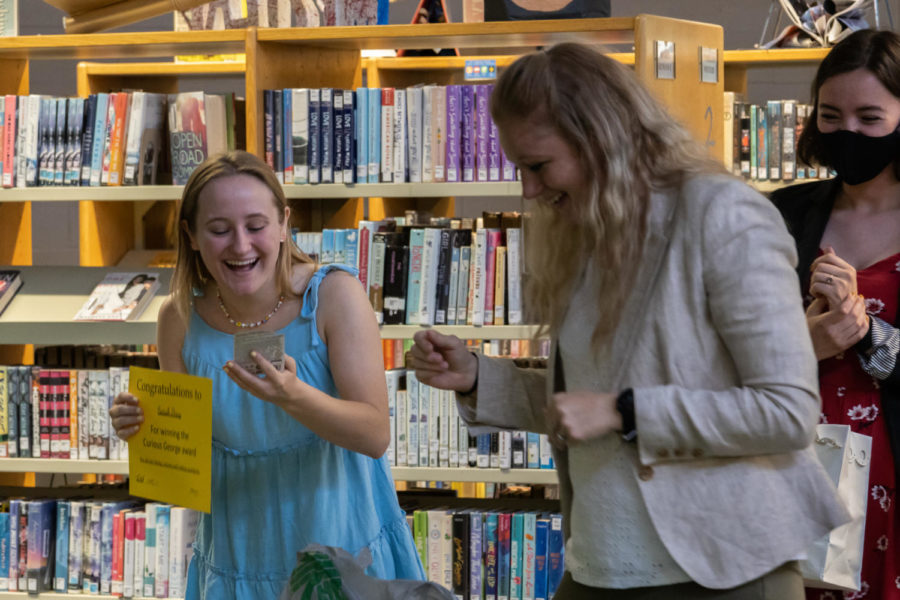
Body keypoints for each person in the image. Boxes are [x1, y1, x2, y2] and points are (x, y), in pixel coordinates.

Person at [408, 42, 849, 599]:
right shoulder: (586, 234)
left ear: (600, 138)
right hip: (601, 562)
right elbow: (587, 410)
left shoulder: (721, 214)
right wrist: (477, 377)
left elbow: (786, 412)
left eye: (539, 166)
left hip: (721, 568)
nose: (529, 190)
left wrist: (625, 411)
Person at [109, 150, 424, 599]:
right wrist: (144, 429)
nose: (240, 246)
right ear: (192, 236)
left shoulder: (335, 296)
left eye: (256, 226)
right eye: (219, 230)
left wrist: (295, 397)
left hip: (340, 552)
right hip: (237, 560)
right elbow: (184, 472)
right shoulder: (178, 319)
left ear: (283, 225)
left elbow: (374, 435)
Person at [770, 28, 900, 600]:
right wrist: (804, 340)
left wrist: (869, 334)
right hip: (789, 460)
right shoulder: (783, 214)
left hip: (890, 469)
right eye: (830, 115)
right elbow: (718, 346)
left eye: (870, 119)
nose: (847, 132)